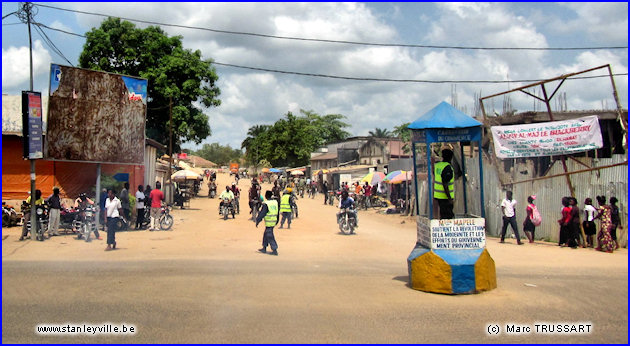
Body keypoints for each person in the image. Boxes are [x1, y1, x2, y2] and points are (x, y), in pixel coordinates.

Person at [256, 190, 279, 256]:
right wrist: (277, 220)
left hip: (269, 221)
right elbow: (277, 211)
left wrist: (258, 220)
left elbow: (262, 213)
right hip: (274, 220)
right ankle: (264, 247)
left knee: (269, 235)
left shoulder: (266, 204)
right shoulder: (275, 202)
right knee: (266, 234)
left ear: (266, 196)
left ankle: (274, 249)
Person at [433, 149, 455, 219]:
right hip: (445, 197)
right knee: (448, 217)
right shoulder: (448, 167)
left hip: (438, 195)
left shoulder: (437, 165)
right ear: (451, 157)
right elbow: (445, 183)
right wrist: (449, 198)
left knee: (443, 215)